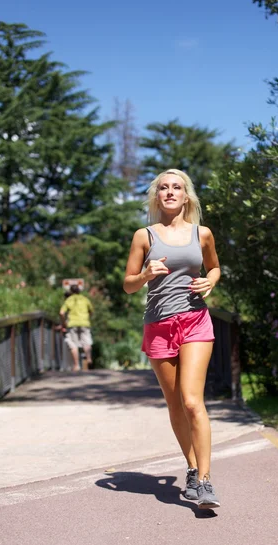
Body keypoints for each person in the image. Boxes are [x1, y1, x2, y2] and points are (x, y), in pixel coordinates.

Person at [123, 168, 221, 509]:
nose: (169, 192)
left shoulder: (202, 234)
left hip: (195, 321)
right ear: (157, 196)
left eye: (176, 187)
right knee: (175, 403)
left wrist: (211, 281)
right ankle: (192, 467)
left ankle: (206, 482)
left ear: (186, 195)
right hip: (159, 325)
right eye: (163, 188)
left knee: (192, 400)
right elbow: (128, 283)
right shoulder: (144, 236)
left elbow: (214, 267)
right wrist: (146, 273)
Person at [59, 284, 94, 372]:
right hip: (84, 323)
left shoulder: (69, 300)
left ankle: (77, 365)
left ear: (71, 291)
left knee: (73, 344)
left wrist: (64, 323)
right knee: (86, 342)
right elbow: (91, 311)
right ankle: (89, 359)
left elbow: (62, 313)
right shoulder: (85, 299)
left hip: (72, 324)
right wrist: (87, 317)